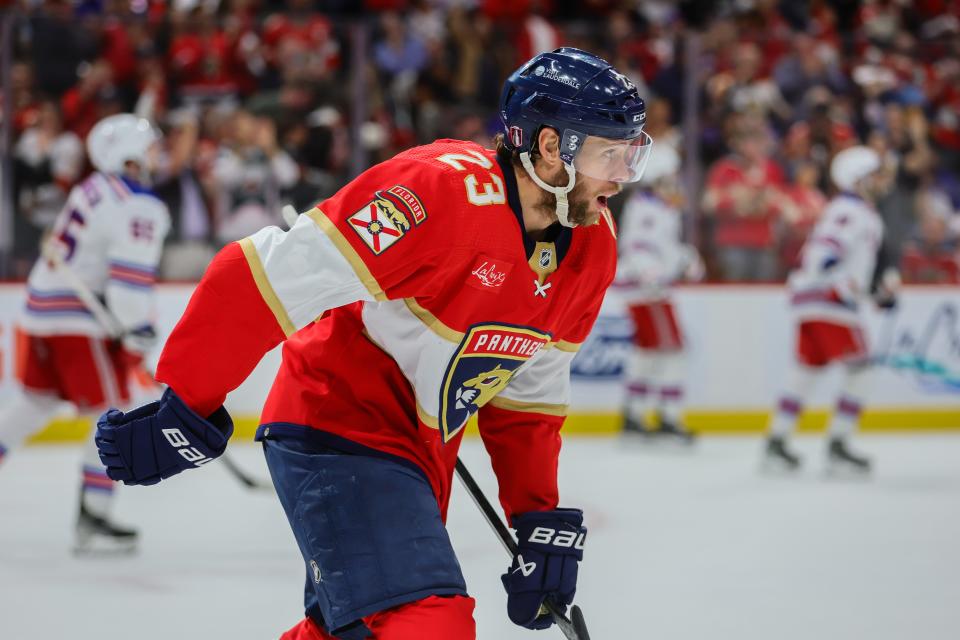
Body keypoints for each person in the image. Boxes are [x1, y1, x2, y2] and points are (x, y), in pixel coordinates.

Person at [94, 48, 652, 639]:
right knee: (423, 623)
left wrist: (535, 515)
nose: (621, 175)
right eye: (607, 154)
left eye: (628, 155)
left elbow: (529, 393)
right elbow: (257, 278)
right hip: (338, 423)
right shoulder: (436, 193)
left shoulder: (592, 248)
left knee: (354, 631)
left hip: (417, 456)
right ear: (549, 147)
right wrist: (187, 403)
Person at [0, 113, 170, 552]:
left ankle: (94, 513)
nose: (156, 154)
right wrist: (139, 329)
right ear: (128, 153)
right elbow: (127, 289)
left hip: (40, 311)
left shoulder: (92, 188)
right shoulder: (138, 204)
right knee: (111, 413)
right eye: (148, 146)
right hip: (77, 322)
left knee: (34, 402)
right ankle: (94, 514)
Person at [763, 146, 898, 474]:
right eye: (873, 174)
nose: (879, 180)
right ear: (858, 178)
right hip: (830, 304)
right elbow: (826, 252)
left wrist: (871, 291)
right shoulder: (851, 210)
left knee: (806, 372)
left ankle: (776, 443)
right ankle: (838, 445)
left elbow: (846, 262)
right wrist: (834, 280)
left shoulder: (856, 210)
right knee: (861, 372)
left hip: (816, 301)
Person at [617, 144, 701, 442]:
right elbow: (639, 247)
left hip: (645, 287)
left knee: (649, 349)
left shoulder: (657, 207)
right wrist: (651, 272)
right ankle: (667, 414)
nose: (675, 184)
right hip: (648, 289)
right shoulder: (649, 208)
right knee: (672, 349)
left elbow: (659, 247)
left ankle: (634, 412)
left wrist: (684, 258)